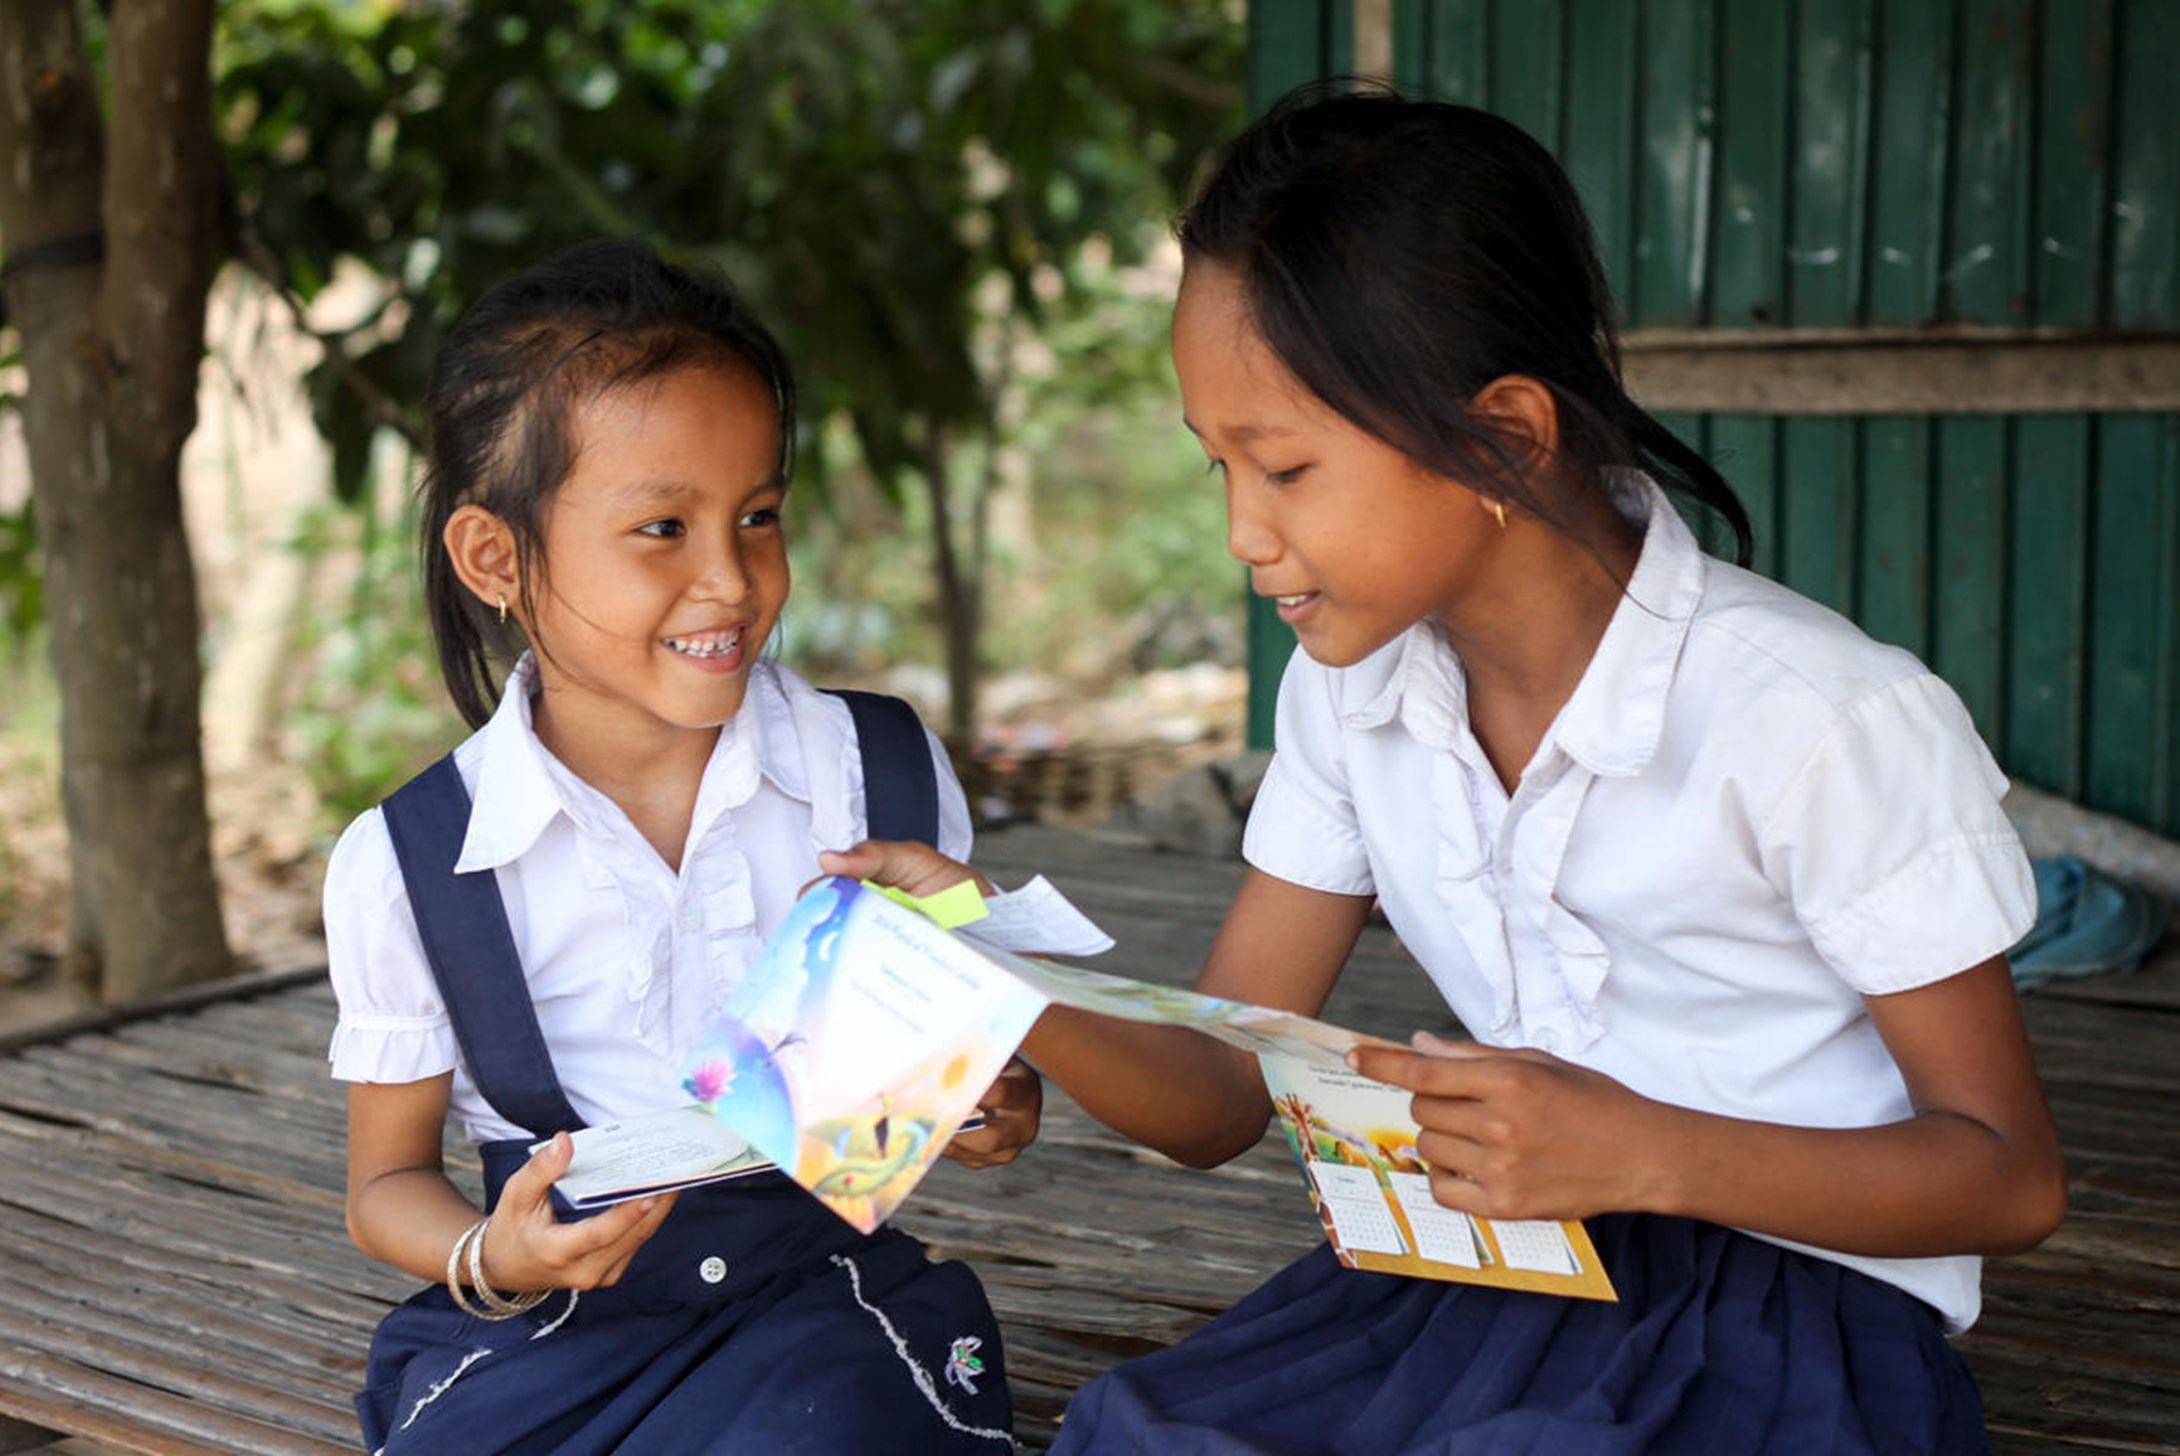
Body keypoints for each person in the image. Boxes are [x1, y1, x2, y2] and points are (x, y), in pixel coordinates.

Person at [824, 87, 2068, 1453]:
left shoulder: (1816, 721)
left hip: (1797, 1317)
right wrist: (983, 962)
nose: (1243, 531)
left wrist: (1644, 1152)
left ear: (1506, 438)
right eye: (1218, 466)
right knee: (1141, 1430)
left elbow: (2006, 1178)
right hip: (1492, 1277)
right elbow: (1214, 1100)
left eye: (1287, 468)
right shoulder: (1352, 697)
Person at [324, 238, 1035, 1455]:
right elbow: (382, 1185)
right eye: (662, 526)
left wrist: (987, 1104)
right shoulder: (411, 859)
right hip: (555, 1329)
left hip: (820, 1304)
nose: (730, 579)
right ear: (495, 557)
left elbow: (969, 1084)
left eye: (757, 515)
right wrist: (487, 1251)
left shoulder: (873, 772)